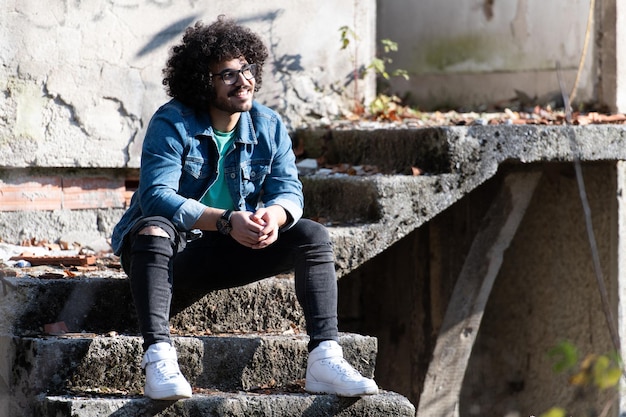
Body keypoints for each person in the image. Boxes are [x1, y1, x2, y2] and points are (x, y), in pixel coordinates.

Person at [111, 16, 378, 401]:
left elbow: (290, 191)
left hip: (228, 251)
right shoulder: (173, 122)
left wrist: (275, 215)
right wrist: (224, 221)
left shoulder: (268, 125)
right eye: (228, 74)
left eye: (247, 68)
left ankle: (324, 357)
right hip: (167, 253)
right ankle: (159, 357)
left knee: (312, 235)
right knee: (153, 225)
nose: (244, 80)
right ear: (204, 81)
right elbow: (156, 197)